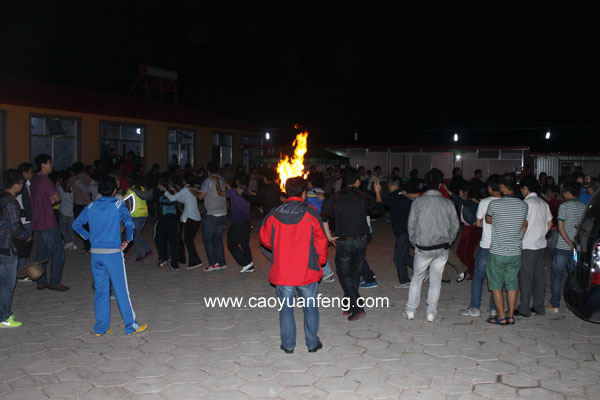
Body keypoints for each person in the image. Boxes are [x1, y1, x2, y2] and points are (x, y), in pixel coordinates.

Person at [259, 177, 328, 353]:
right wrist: (320, 261)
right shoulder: (311, 213)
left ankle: (288, 345)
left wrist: (280, 246)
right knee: (310, 307)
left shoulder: (274, 213)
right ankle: (312, 344)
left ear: (286, 192)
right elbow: (321, 240)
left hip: (283, 271)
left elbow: (264, 238)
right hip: (307, 269)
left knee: (286, 309)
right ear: (304, 194)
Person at [73, 176, 147, 336]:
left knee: (101, 291)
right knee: (121, 290)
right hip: (113, 254)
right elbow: (129, 224)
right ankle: (130, 325)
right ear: (114, 190)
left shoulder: (91, 206)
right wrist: (127, 240)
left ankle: (101, 327)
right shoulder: (118, 205)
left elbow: (76, 225)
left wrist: (89, 237)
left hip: (96, 255)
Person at [321, 167, 382, 321]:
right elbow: (378, 210)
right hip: (362, 240)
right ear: (357, 181)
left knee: (343, 274)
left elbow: (324, 217)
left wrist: (328, 236)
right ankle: (349, 305)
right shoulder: (364, 196)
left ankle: (357, 305)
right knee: (354, 273)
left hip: (345, 241)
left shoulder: (334, 197)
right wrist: (378, 192)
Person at [404, 171, 459, 322]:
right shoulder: (448, 203)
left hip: (423, 247)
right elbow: (455, 225)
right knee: (436, 281)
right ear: (440, 185)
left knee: (417, 278)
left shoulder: (418, 202)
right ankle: (431, 313)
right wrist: (450, 240)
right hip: (442, 247)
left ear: (426, 184)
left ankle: (410, 310)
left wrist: (413, 241)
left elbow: (411, 224)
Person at [485, 173, 528, 325]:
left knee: (496, 284)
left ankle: (501, 316)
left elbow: (488, 219)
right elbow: (523, 223)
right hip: (515, 252)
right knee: (512, 284)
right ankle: (511, 315)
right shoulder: (524, 205)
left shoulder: (495, 204)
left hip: (497, 251)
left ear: (502, 187)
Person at [460, 174, 501, 318]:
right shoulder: (506, 202)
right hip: (501, 246)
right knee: (496, 277)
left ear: (489, 188)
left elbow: (478, 224)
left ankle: (475, 307)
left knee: (478, 276)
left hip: (486, 244)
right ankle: (494, 308)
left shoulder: (485, 202)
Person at [515, 176, 552, 317]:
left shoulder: (526, 203)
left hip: (528, 246)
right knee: (539, 278)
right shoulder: (543, 203)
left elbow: (523, 225)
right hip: (541, 245)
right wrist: (541, 233)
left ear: (525, 188)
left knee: (525, 277)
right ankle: (538, 306)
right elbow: (550, 222)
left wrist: (519, 240)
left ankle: (524, 308)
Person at [31, 154, 69, 291]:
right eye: (50, 163)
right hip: (47, 221)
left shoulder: (34, 180)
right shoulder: (45, 180)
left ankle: (41, 281)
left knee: (41, 254)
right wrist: (51, 201)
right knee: (57, 252)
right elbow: (56, 198)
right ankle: (55, 281)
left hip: (37, 222)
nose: (51, 166)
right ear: (44, 164)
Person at [548, 180, 586, 313]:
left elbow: (560, 228)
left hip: (562, 247)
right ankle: (573, 306)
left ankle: (555, 304)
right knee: (574, 278)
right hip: (576, 247)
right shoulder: (583, 206)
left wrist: (569, 243)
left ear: (568, 192)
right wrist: (574, 244)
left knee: (557, 276)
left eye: (564, 192)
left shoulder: (564, 206)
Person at [0, 169, 32, 328]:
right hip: (7, 246)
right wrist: (27, 235)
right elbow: (15, 227)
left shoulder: (1, 198)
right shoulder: (11, 202)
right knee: (7, 284)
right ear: (16, 185)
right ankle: (4, 317)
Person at [376, 176, 413, 288]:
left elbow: (380, 202)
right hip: (406, 230)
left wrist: (377, 191)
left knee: (398, 257)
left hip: (404, 231)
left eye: (388, 185)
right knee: (404, 255)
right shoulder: (400, 195)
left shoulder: (398, 196)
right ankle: (424, 269)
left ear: (392, 185)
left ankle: (405, 281)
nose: (388, 187)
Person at [160, 174, 203, 269]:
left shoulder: (186, 188)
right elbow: (182, 200)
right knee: (189, 240)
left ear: (183, 181)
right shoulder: (189, 189)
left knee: (188, 241)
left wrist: (165, 190)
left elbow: (172, 198)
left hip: (191, 218)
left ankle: (195, 262)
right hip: (195, 217)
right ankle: (195, 261)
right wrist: (175, 191)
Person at [215, 173, 255, 273]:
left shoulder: (234, 191)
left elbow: (220, 193)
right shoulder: (247, 191)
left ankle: (245, 263)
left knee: (231, 244)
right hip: (247, 221)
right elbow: (232, 190)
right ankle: (250, 265)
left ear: (238, 181)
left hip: (238, 222)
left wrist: (217, 184)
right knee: (244, 243)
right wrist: (225, 183)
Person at [197, 164, 228, 271]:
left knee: (207, 239)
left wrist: (194, 191)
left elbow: (201, 196)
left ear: (208, 172)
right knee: (218, 239)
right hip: (223, 213)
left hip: (213, 214)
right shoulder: (222, 180)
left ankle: (213, 263)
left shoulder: (208, 181)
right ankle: (222, 262)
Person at [124, 177, 153, 262]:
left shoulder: (130, 191)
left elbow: (126, 204)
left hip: (135, 215)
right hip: (144, 215)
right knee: (136, 235)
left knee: (135, 235)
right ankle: (145, 252)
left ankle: (143, 253)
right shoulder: (143, 190)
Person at [68, 162, 94, 252]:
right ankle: (90, 245)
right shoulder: (86, 177)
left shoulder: (72, 178)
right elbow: (93, 187)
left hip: (77, 204)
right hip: (87, 203)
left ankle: (86, 245)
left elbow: (67, 188)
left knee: (80, 225)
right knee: (89, 225)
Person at [57, 172, 76, 250]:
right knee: (70, 228)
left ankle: (68, 242)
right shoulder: (71, 188)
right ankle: (73, 243)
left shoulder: (59, 187)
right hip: (71, 211)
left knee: (62, 228)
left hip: (63, 211)